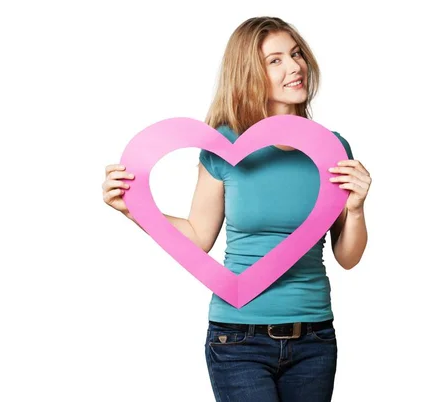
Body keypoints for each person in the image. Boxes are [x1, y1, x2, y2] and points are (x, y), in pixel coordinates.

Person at [101, 16, 371, 402]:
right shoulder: (221, 146)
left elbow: (348, 257)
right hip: (237, 340)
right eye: (274, 60)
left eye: (296, 54)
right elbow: (198, 235)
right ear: (249, 73)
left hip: (314, 338)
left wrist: (357, 209)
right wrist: (134, 210)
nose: (294, 66)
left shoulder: (333, 148)